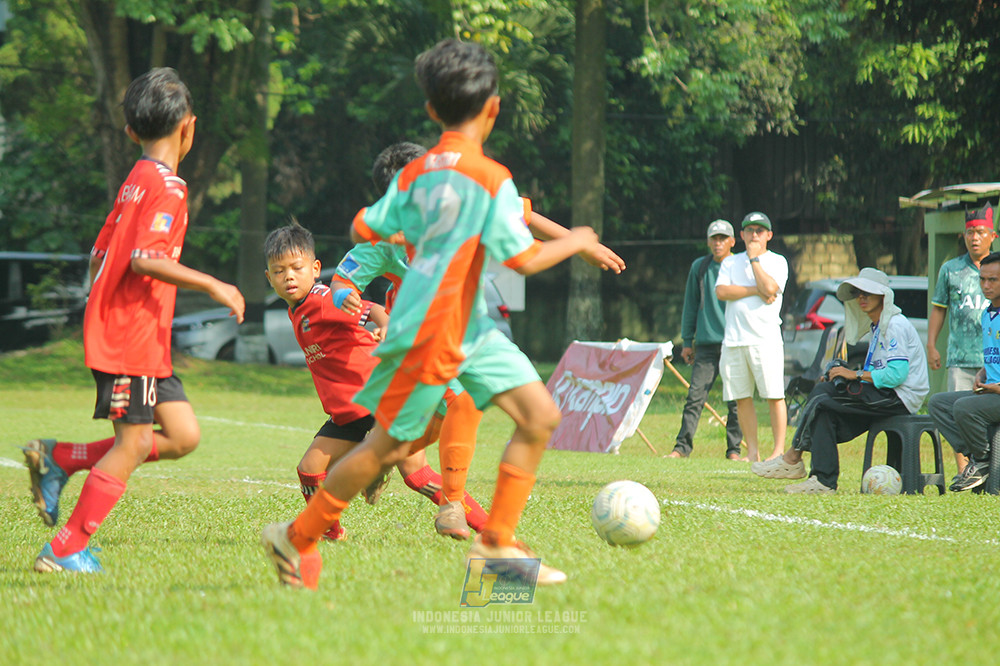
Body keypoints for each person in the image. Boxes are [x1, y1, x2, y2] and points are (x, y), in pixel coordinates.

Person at [261, 38, 600, 589]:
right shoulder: (490, 176)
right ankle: (298, 536)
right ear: (493, 108)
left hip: (462, 329)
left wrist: (401, 230)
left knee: (533, 416)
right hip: (433, 332)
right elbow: (524, 258)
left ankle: (495, 543)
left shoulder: (414, 175)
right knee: (390, 448)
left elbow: (362, 225)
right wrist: (579, 239)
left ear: (431, 110)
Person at [332, 141, 626, 539]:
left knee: (426, 433)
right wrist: (344, 295)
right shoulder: (384, 239)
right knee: (464, 401)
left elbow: (526, 216)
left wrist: (585, 244)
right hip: (419, 338)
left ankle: (370, 469)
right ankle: (455, 507)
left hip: (468, 328)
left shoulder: (465, 200)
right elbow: (344, 277)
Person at [22, 68, 245, 572]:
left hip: (138, 335)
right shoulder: (168, 187)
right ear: (189, 126)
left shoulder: (134, 182)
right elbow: (146, 258)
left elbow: (99, 255)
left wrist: (107, 304)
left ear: (130, 132)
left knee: (182, 435)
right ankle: (66, 547)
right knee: (136, 442)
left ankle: (62, 459)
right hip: (130, 335)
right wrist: (214, 284)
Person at [263, 223, 492, 540]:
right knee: (310, 471)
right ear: (269, 277)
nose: (288, 277)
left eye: (296, 268)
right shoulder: (298, 308)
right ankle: (331, 533)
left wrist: (385, 325)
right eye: (279, 271)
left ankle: (490, 528)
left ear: (315, 269)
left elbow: (371, 309)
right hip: (349, 413)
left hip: (380, 398)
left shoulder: (321, 300)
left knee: (416, 474)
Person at [751, 268, 929, 493]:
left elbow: (896, 376)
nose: (861, 297)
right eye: (858, 293)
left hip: (900, 397)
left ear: (883, 296)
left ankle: (792, 458)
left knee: (822, 397)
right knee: (824, 409)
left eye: (868, 293)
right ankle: (823, 482)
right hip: (886, 393)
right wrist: (842, 375)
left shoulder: (895, 325)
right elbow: (880, 372)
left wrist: (854, 375)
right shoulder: (878, 326)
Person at [927, 203, 996, 475]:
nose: (974, 238)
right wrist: (932, 344)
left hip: (991, 363)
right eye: (969, 232)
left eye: (980, 232)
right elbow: (938, 309)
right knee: (952, 408)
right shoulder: (951, 269)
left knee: (975, 412)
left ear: (993, 235)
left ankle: (987, 463)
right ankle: (967, 470)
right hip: (961, 356)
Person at [715, 211, 788, 463]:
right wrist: (755, 291)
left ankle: (778, 451)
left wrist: (755, 260)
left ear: (769, 235)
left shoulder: (777, 261)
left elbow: (770, 288)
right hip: (734, 340)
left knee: (774, 395)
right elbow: (722, 292)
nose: (754, 235)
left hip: (765, 339)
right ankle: (752, 452)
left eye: (759, 231)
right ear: (742, 235)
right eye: (749, 230)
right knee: (741, 397)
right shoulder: (730, 263)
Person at [668, 219, 742, 460]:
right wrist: (687, 340)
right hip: (706, 344)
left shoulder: (740, 266)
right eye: (714, 239)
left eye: (723, 238)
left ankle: (734, 450)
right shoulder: (699, 267)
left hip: (734, 342)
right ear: (708, 242)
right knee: (694, 397)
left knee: (736, 400)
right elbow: (690, 305)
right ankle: (681, 448)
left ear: (732, 241)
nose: (718, 243)